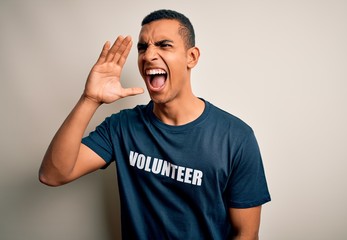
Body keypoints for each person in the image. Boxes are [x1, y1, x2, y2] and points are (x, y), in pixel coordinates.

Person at [39, 9, 271, 240]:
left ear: (192, 57)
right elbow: (53, 174)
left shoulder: (236, 137)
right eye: (143, 47)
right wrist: (89, 100)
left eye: (164, 45)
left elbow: (246, 233)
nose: (148, 55)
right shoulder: (122, 126)